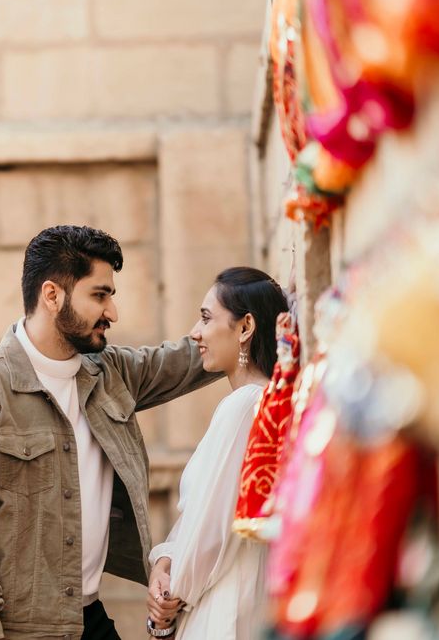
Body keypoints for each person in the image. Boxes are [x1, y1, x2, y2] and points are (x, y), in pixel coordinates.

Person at [0, 225, 220, 640]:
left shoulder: (109, 373)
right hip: (6, 630)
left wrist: (257, 314)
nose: (112, 312)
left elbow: (191, 359)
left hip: (84, 618)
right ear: (52, 296)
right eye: (100, 295)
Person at [145, 267, 288, 639]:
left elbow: (210, 530)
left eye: (207, 318)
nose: (195, 332)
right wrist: (165, 560)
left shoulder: (243, 406)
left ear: (245, 328)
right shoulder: (259, 401)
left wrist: (168, 600)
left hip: (225, 603)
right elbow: (197, 518)